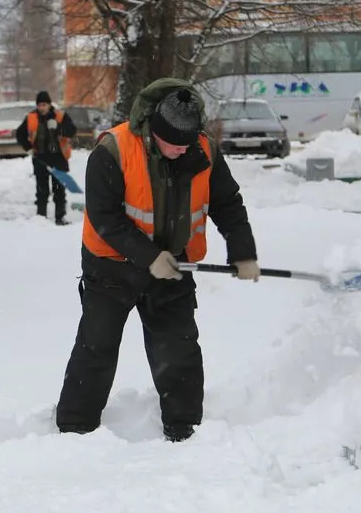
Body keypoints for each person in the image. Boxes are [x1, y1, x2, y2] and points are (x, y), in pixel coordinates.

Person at [54, 78, 261, 443]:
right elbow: (105, 218)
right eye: (175, 143)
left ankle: (187, 432)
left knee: (178, 348)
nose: (183, 149)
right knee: (97, 346)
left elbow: (228, 203)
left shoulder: (203, 151)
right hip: (111, 267)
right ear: (154, 130)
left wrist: (243, 252)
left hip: (174, 266)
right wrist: (150, 256)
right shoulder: (114, 150)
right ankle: (74, 431)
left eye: (189, 141)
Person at [15, 91, 78, 225]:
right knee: (42, 190)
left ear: (49, 105)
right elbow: (20, 134)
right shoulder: (31, 117)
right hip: (40, 158)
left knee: (59, 190)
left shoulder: (60, 116)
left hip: (59, 158)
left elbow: (72, 131)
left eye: (44, 104)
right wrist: (29, 148)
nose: (42, 107)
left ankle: (60, 217)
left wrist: (59, 127)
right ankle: (41, 217)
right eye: (39, 105)